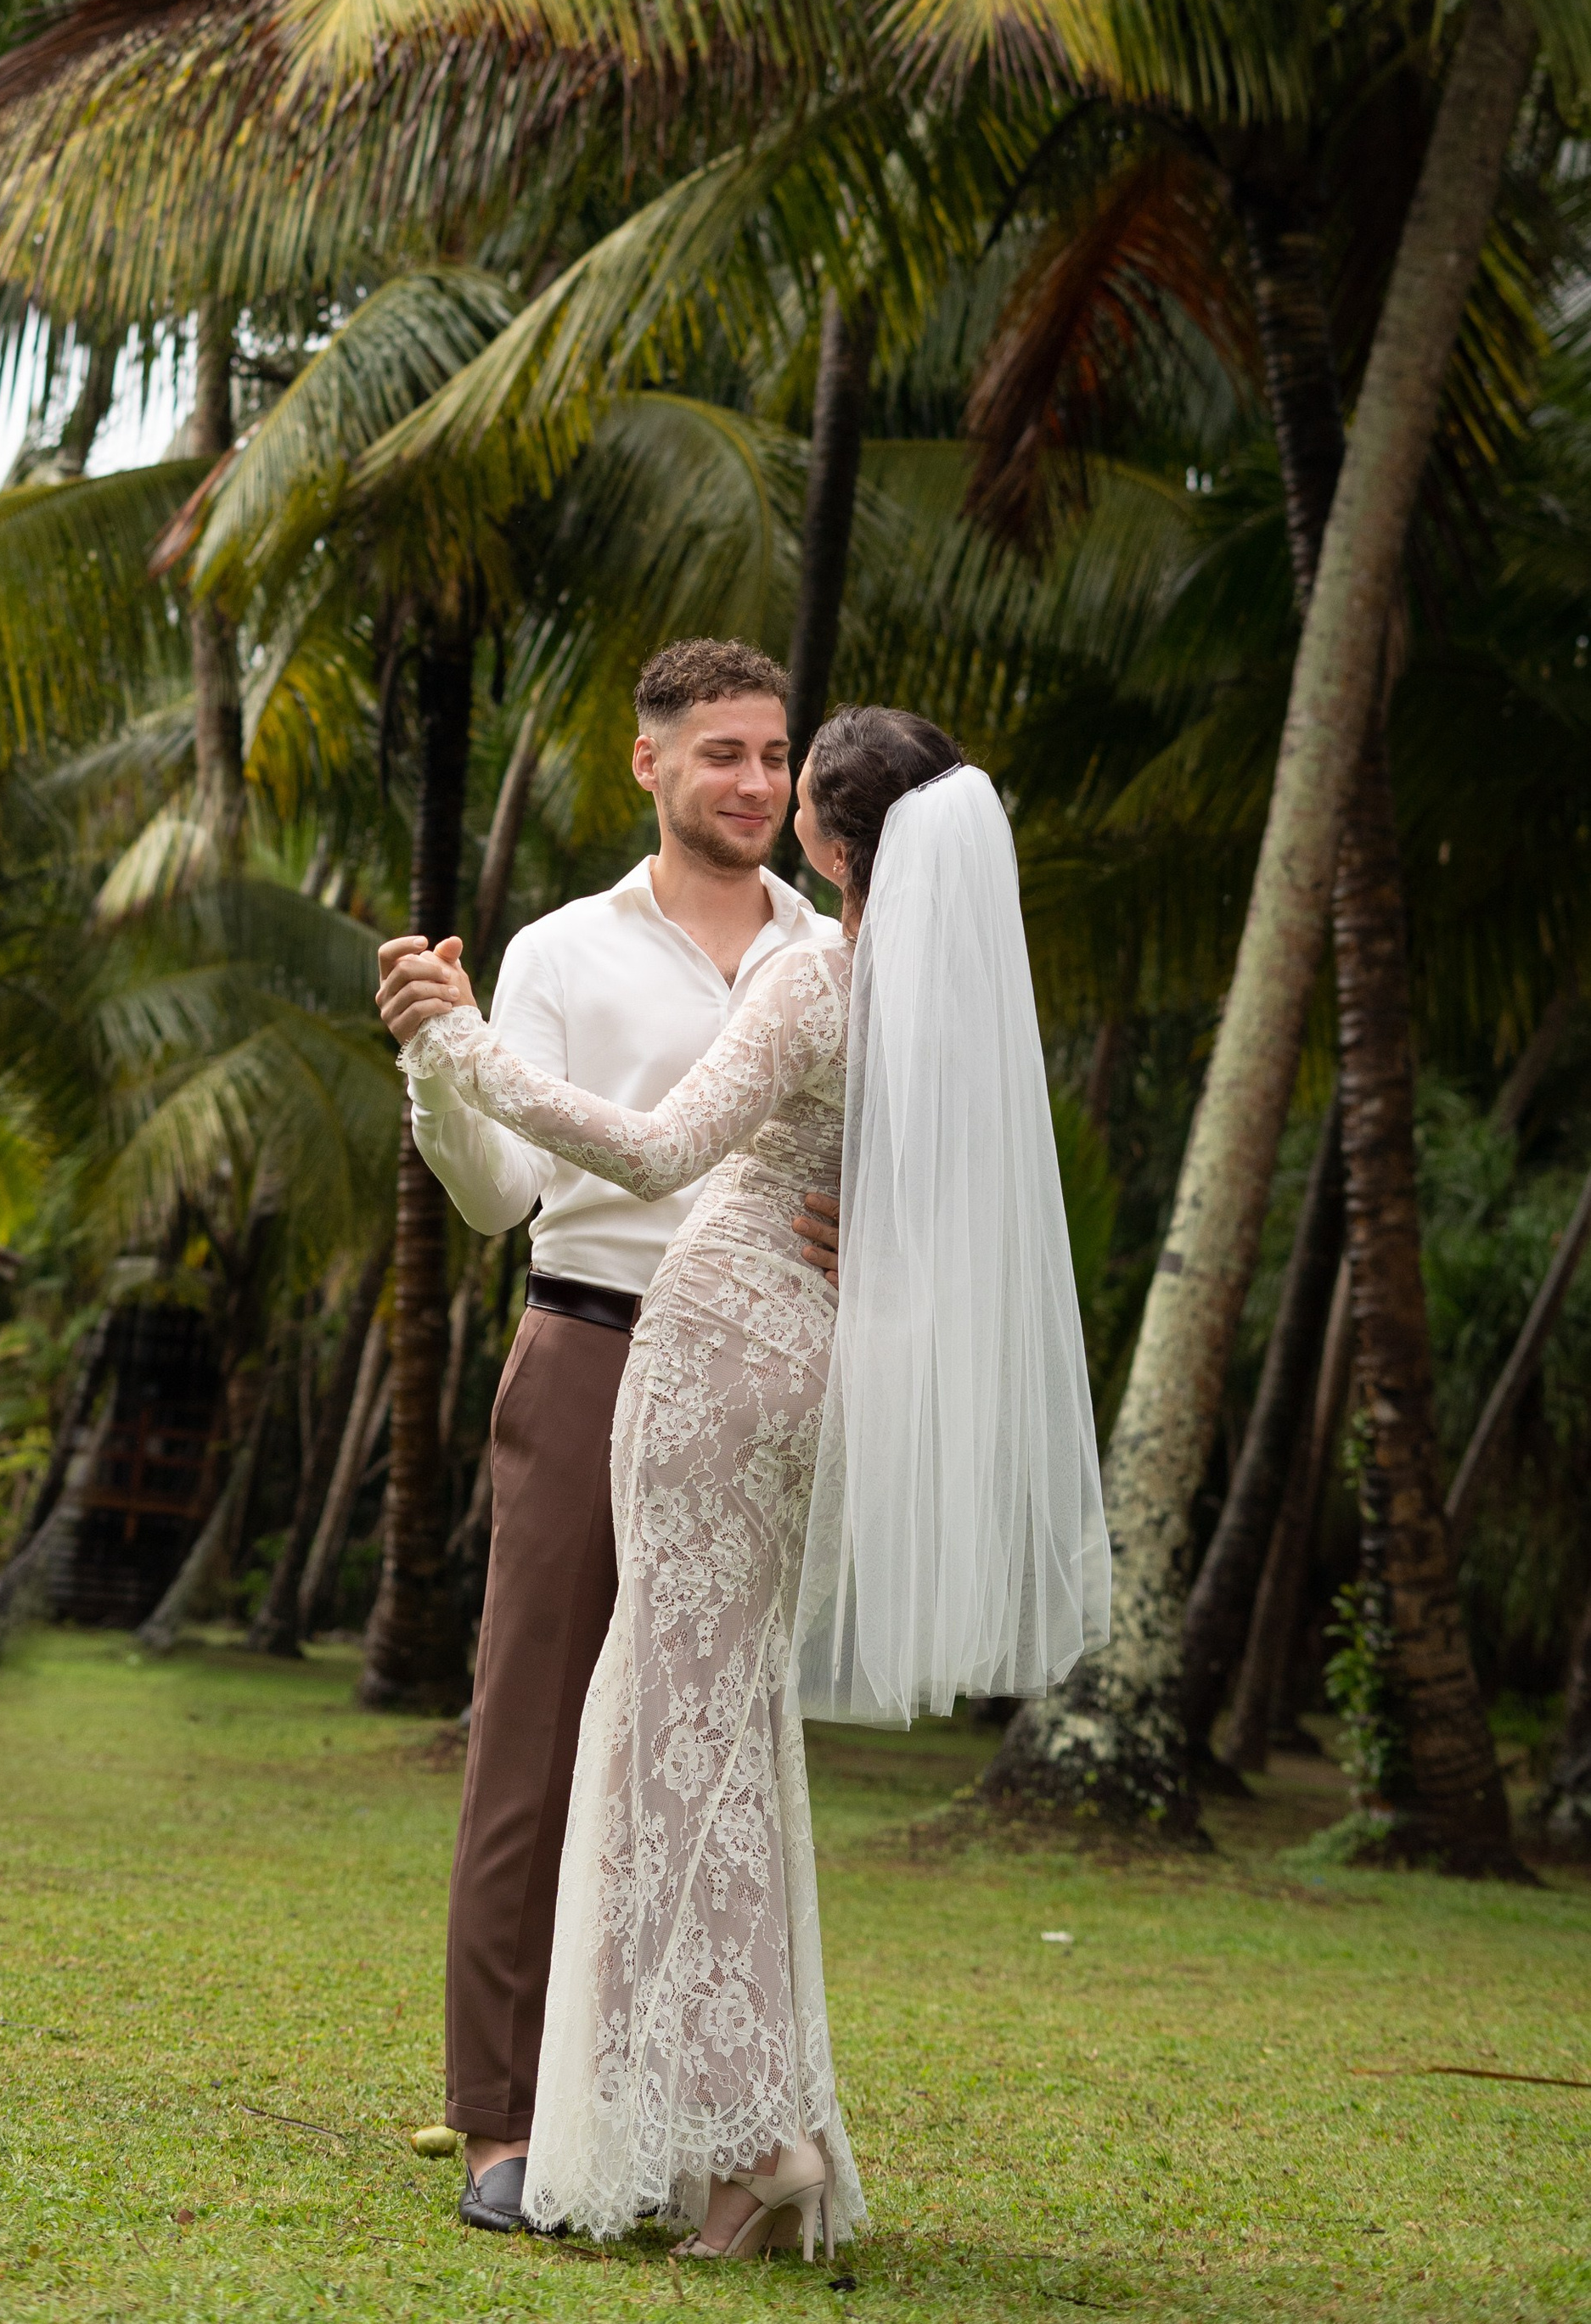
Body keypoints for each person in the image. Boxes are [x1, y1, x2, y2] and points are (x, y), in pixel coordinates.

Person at [384, 707, 1109, 2255]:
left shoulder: (809, 974)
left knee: (664, 1739)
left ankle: (751, 2132)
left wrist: (454, 1044)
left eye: (787, 772)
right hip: (789, 1385)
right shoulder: (946, 1022)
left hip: (709, 1368)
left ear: (834, 843)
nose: (760, 790)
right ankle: (718, 2141)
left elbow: (650, 1154)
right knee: (719, 1740)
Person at [374, 637, 843, 2237]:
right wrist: (440, 1070)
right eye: (721, 752)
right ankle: (503, 2121)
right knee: (539, 1741)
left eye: (775, 754)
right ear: (645, 763)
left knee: (704, 1756)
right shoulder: (566, 950)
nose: (756, 784)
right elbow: (501, 1192)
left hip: (760, 1392)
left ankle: (684, 2124)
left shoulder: (836, 951)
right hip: (593, 1351)